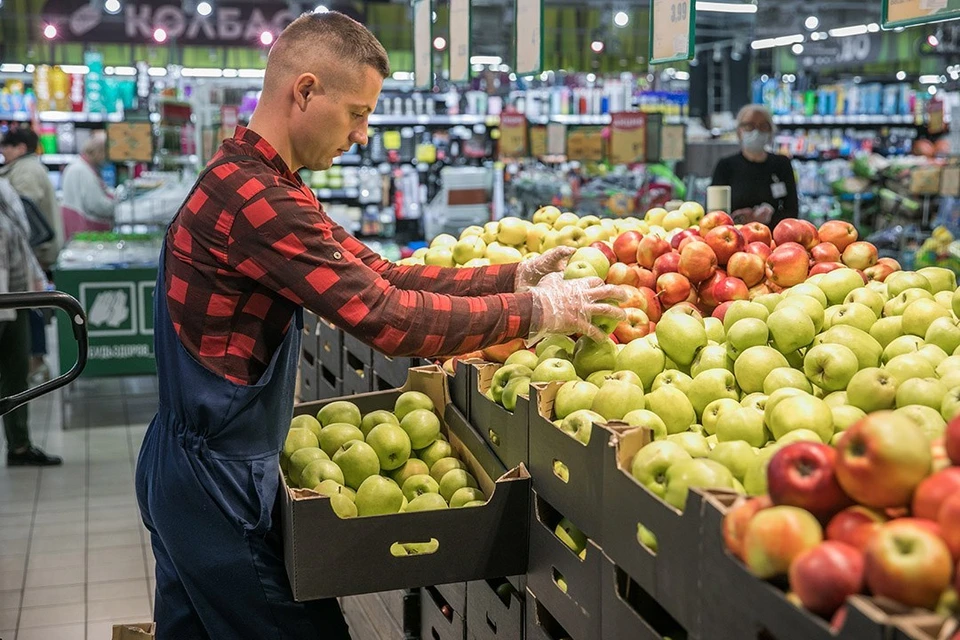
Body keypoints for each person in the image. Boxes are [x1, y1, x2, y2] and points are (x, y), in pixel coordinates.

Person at [134, 11, 626, 640]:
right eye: (357, 113)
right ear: (305, 92)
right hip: (215, 484)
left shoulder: (256, 181)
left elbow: (381, 275)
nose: (364, 134)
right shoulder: (260, 203)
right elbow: (386, 317)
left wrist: (511, 277)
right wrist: (535, 313)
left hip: (187, 469)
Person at [0, 176, 62, 466]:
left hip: (14, 296)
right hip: (7, 298)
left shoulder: (5, 189)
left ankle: (20, 447)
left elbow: (21, 241)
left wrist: (35, 281)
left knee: (16, 375)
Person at [0, 127, 61, 384]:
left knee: (30, 307)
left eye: (7, 146)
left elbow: (25, 211)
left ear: (20, 148)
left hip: (34, 253)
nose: (3, 152)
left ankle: (35, 360)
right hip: (32, 253)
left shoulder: (25, 171)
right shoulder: (26, 168)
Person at [711, 104, 799, 228]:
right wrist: (738, 218)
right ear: (739, 131)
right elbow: (713, 214)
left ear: (770, 131)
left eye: (763, 126)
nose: (756, 131)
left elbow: (792, 211)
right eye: (749, 126)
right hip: (733, 237)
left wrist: (768, 218)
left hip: (773, 239)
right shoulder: (726, 166)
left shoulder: (781, 164)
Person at [60, 132, 116, 242]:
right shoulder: (82, 170)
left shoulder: (79, 166)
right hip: (86, 229)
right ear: (99, 151)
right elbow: (96, 204)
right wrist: (116, 205)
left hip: (77, 227)